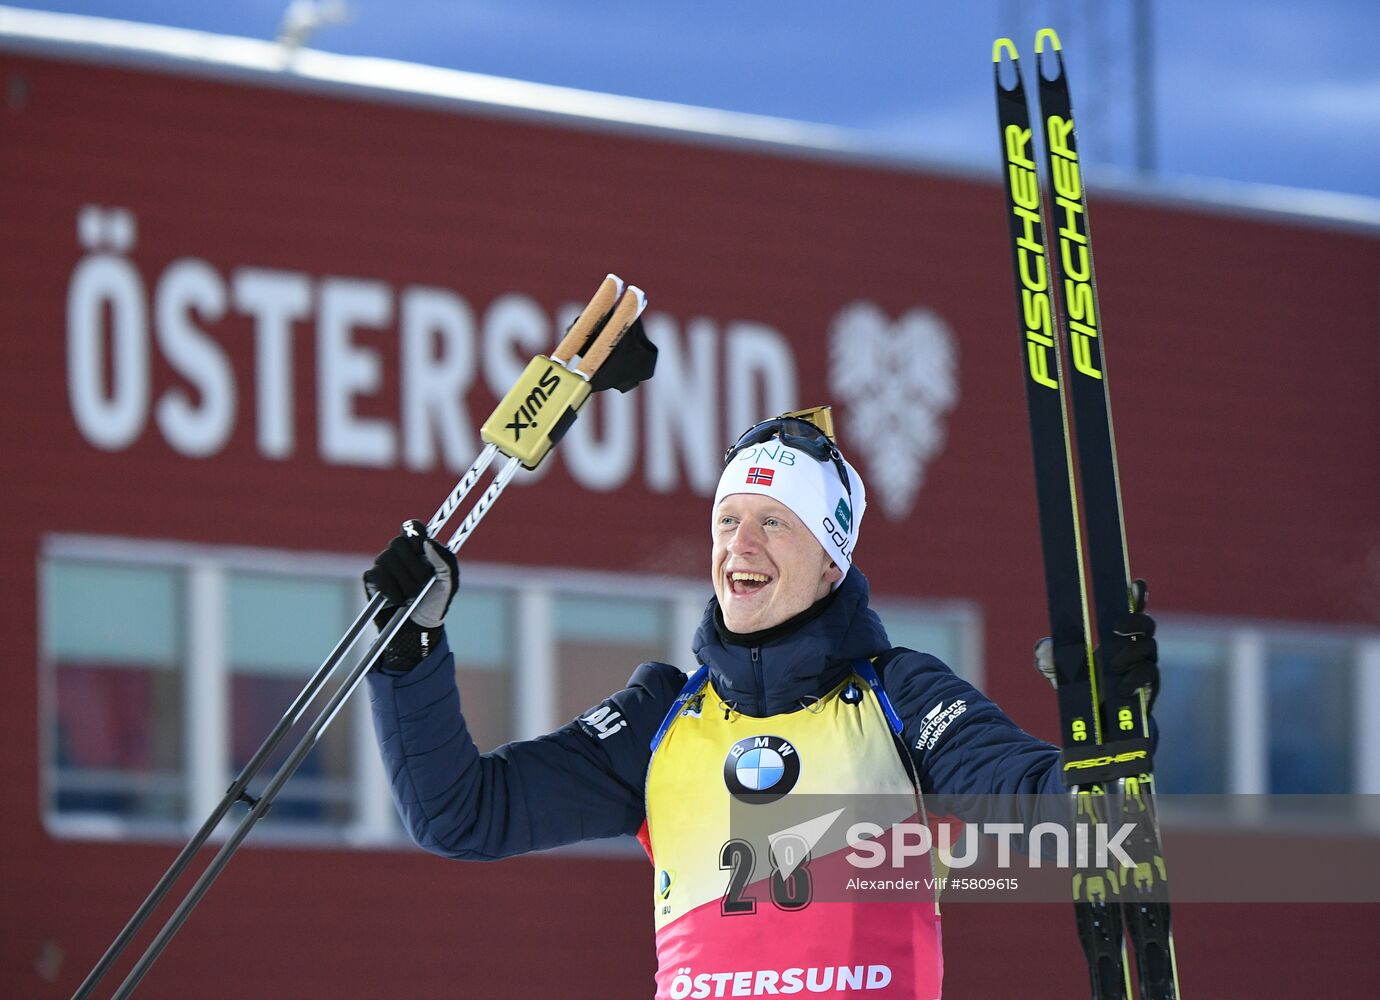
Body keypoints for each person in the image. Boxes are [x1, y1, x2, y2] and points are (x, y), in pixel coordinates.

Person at [364, 408, 1158, 999]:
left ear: (830, 564)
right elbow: (460, 813)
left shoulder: (900, 698)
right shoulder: (659, 721)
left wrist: (1110, 738)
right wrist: (410, 653)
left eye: (775, 523)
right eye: (728, 521)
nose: (740, 547)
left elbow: (1045, 809)